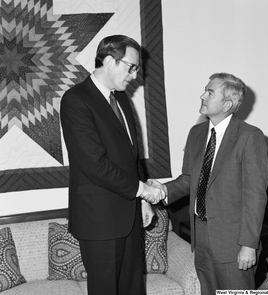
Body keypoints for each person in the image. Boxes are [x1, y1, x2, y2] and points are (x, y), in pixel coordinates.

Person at [60, 35, 165, 295]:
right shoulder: (76, 100)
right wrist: (142, 190)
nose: (135, 75)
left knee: (133, 289)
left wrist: (143, 201)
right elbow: (94, 164)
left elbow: (132, 158)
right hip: (99, 221)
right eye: (131, 67)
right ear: (109, 61)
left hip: (129, 215)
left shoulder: (121, 99)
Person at [148, 73, 268, 293]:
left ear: (228, 103)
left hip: (234, 242)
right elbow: (189, 179)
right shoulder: (196, 133)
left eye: (210, 92)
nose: (202, 95)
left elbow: (255, 196)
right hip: (201, 238)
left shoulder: (250, 136)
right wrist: (163, 190)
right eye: (205, 90)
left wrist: (249, 244)